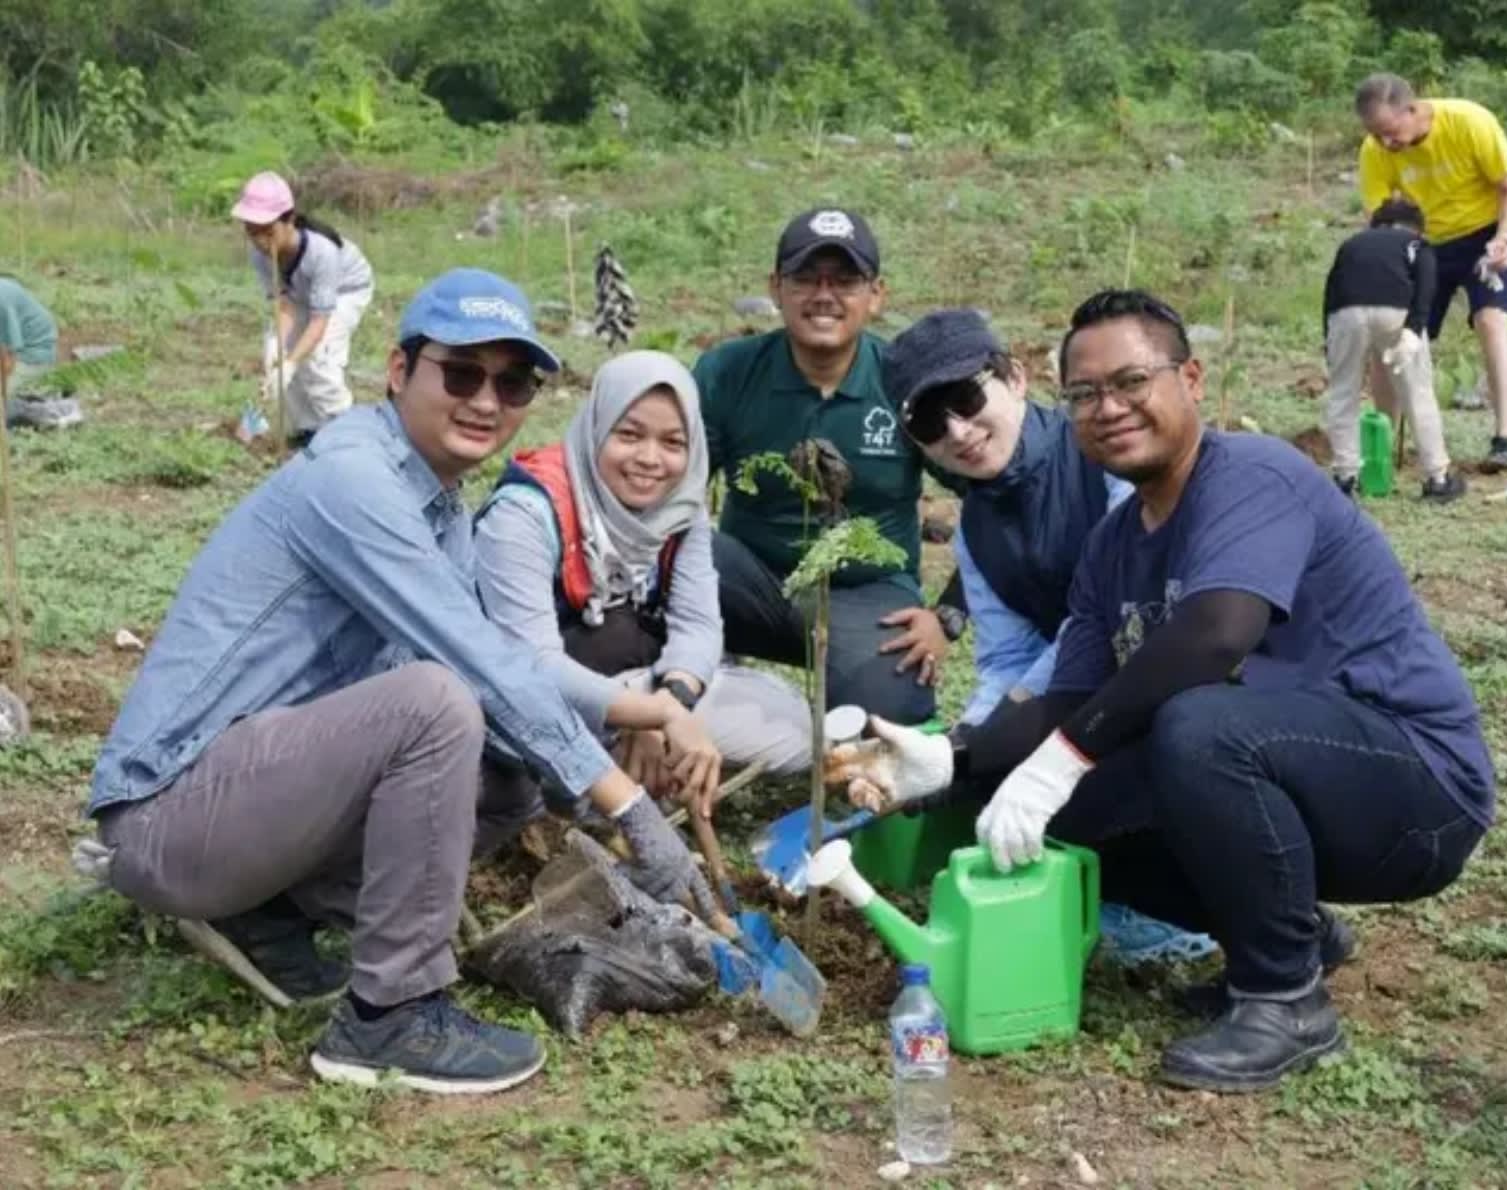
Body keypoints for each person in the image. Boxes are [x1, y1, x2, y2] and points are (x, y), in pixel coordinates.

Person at [829, 290, 1494, 1094]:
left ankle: (1286, 1001)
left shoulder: (1252, 477)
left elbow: (1215, 636)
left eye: (1131, 382)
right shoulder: (1112, 545)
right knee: (1076, 805)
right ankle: (1288, 937)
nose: (1109, 408)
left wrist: (1061, 758)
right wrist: (952, 759)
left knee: (1194, 725)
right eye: (1085, 394)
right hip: (1291, 777)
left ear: (1192, 379)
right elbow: (1066, 695)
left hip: (1417, 788)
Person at [86, 269, 717, 1094]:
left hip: (250, 805)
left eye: (512, 383)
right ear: (397, 371)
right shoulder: (352, 480)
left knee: (508, 771)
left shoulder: (441, 505)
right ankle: (388, 1016)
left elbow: (509, 671)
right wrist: (627, 807)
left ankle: (270, 913)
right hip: (167, 819)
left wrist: (616, 748)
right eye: (460, 374)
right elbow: (474, 659)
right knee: (434, 702)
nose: (485, 401)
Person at [884, 307, 1215, 967]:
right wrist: (969, 742)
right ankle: (1120, 892)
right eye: (929, 423)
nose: (958, 431)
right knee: (993, 773)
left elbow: (1111, 617)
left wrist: (997, 734)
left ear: (1015, 376)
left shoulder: (1107, 457)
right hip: (1088, 692)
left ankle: (1200, 911)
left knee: (1076, 775)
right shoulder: (976, 530)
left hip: (1179, 674)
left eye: (966, 398)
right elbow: (1007, 659)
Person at [475, 349, 812, 818]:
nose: (650, 460)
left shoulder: (680, 509)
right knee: (525, 788)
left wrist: (670, 701)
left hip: (636, 681)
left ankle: (626, 776)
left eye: (673, 442)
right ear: (597, 428)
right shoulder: (524, 516)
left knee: (796, 730)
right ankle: (594, 793)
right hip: (534, 707)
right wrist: (649, 715)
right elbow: (534, 667)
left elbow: (698, 625)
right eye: (629, 435)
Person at [693, 208, 963, 725]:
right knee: (673, 555)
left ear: (876, 294)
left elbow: (995, 497)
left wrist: (949, 615)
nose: (824, 295)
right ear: (775, 288)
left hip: (868, 593)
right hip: (753, 585)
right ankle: (698, 675)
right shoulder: (727, 372)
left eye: (844, 281)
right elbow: (670, 489)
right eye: (805, 278)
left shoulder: (906, 382)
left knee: (890, 711)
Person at [1355, 72, 1507, 473]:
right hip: (1426, 241)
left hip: (1487, 231)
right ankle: (1384, 445)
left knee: (1491, 319)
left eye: (1390, 131)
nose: (1386, 143)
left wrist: (1503, 240)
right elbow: (1380, 220)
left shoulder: (1469, 122)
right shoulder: (1374, 151)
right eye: (1376, 134)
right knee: (1392, 334)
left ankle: (1506, 441)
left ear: (1412, 108)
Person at [1323, 198, 1464, 502]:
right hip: (1395, 313)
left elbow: (1331, 287)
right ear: (1417, 227)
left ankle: (1345, 477)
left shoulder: (1352, 243)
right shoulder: (1416, 244)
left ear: (1376, 224)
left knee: (1344, 393)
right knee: (1418, 394)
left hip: (1345, 313)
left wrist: (1329, 341)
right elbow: (1426, 287)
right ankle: (1437, 478)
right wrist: (1414, 329)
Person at [232, 170, 375, 449]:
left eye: (268, 231)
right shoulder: (260, 256)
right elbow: (284, 304)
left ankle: (344, 432)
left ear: (290, 220)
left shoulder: (322, 252)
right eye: (252, 232)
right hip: (300, 294)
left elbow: (320, 321)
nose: (261, 241)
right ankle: (308, 429)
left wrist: (293, 362)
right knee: (280, 358)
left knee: (318, 359)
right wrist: (278, 349)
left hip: (345, 291)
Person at [0, 275, 57, 393]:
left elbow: (8, 360)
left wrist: (4, 396)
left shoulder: (2, 304)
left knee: (13, 395)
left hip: (31, 353)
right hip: (8, 352)